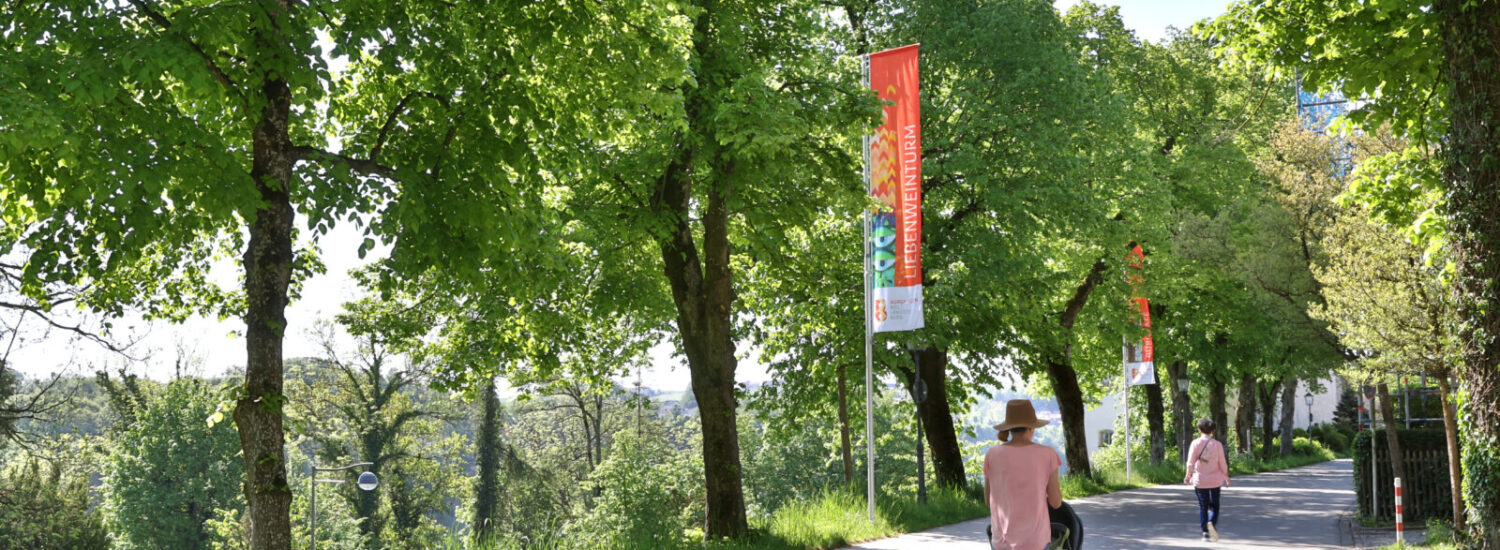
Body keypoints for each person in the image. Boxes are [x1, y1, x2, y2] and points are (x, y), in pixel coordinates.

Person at [983, 399, 1064, 550]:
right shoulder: (1048, 454)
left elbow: (989, 500)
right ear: (1031, 428)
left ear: (1010, 428)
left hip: (1002, 542)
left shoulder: (992, 453)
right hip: (1035, 542)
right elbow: (1056, 502)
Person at [1184, 418, 1230, 542]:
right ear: (1213, 431)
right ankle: (1211, 522)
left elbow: (1190, 462)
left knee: (1203, 505)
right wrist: (1226, 477)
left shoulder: (1195, 443)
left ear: (1199, 430)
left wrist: (1188, 476)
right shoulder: (1217, 444)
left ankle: (1205, 532)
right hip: (1215, 480)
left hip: (1200, 480)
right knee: (1215, 505)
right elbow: (1223, 463)